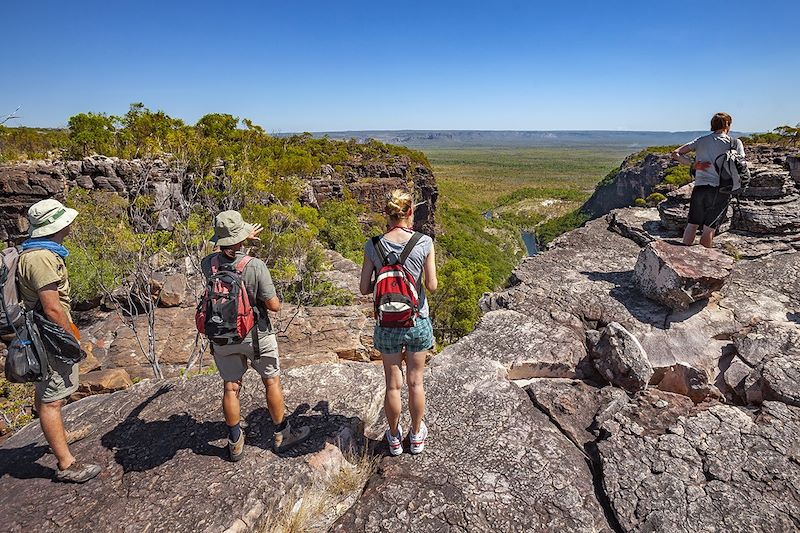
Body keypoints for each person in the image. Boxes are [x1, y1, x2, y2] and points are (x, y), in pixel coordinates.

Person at [200, 210, 310, 461]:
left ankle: (235, 442)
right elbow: (274, 305)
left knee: (231, 387)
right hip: (255, 335)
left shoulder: (208, 264)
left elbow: (224, 256)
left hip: (222, 337)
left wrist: (237, 239)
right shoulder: (255, 266)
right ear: (241, 238)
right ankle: (283, 434)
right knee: (271, 381)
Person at [15, 199, 101, 483]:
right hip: (47, 335)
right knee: (52, 399)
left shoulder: (40, 252)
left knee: (49, 393)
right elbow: (52, 307)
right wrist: (72, 338)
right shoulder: (40, 258)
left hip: (44, 330)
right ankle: (67, 464)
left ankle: (60, 437)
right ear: (58, 225)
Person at [359, 190, 438, 456]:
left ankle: (393, 438)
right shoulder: (424, 242)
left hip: (387, 324)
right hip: (417, 320)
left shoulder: (373, 245)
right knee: (416, 382)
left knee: (393, 384)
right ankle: (416, 436)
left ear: (388, 214)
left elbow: (363, 288)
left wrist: (386, 279)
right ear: (410, 213)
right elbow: (432, 285)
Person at [671, 112, 745, 248]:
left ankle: (682, 256)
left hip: (700, 187)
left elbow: (675, 153)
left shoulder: (701, 141)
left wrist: (693, 164)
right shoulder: (734, 143)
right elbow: (742, 165)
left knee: (692, 224)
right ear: (727, 125)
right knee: (709, 228)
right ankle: (703, 262)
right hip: (721, 189)